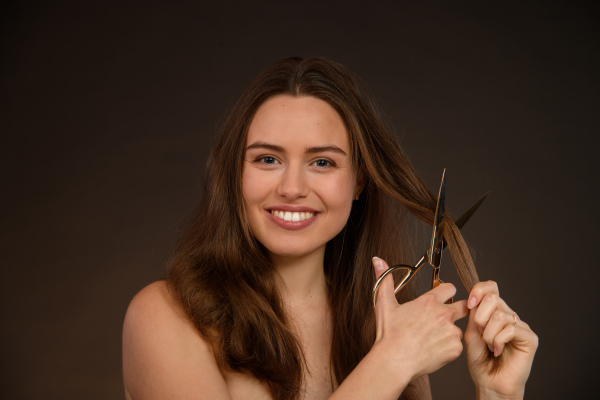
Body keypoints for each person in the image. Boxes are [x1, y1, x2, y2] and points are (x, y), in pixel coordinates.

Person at [122, 57, 538, 400]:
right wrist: (390, 361)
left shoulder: (384, 321)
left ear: (358, 180)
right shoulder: (166, 317)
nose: (291, 188)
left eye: (322, 162)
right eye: (268, 159)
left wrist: (497, 394)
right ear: (236, 174)